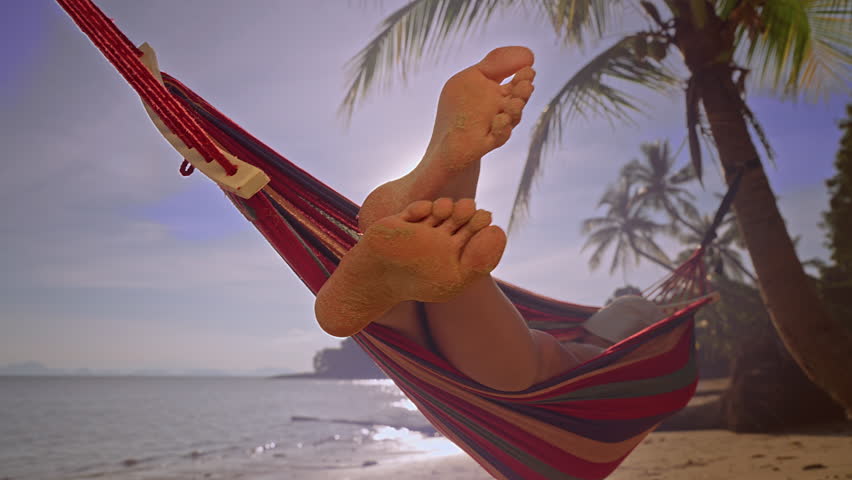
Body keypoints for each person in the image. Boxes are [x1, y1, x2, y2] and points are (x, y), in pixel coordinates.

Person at [315, 46, 665, 392]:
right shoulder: (621, 368)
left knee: (427, 311)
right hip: (501, 375)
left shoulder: (603, 347)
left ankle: (446, 210)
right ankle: (439, 255)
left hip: (469, 355)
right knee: (534, 359)